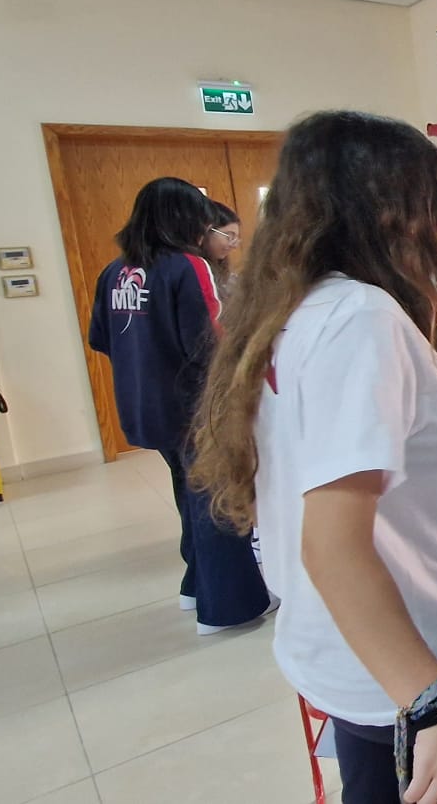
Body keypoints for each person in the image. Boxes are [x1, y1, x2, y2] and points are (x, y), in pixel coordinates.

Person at [189, 113, 437, 804]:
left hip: (351, 648)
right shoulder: (361, 319)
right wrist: (431, 703)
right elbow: (333, 546)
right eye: (434, 199)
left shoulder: (298, 308)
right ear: (389, 208)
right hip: (413, 654)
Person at [88, 177, 272, 636]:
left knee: (188, 493)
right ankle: (228, 606)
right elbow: (211, 342)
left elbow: (101, 339)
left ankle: (195, 585)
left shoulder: (114, 272)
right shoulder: (187, 266)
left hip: (142, 404)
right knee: (217, 499)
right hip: (195, 405)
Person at [200, 200, 242, 300]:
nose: (234, 245)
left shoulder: (224, 272)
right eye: (229, 236)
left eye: (235, 238)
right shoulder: (194, 270)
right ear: (207, 230)